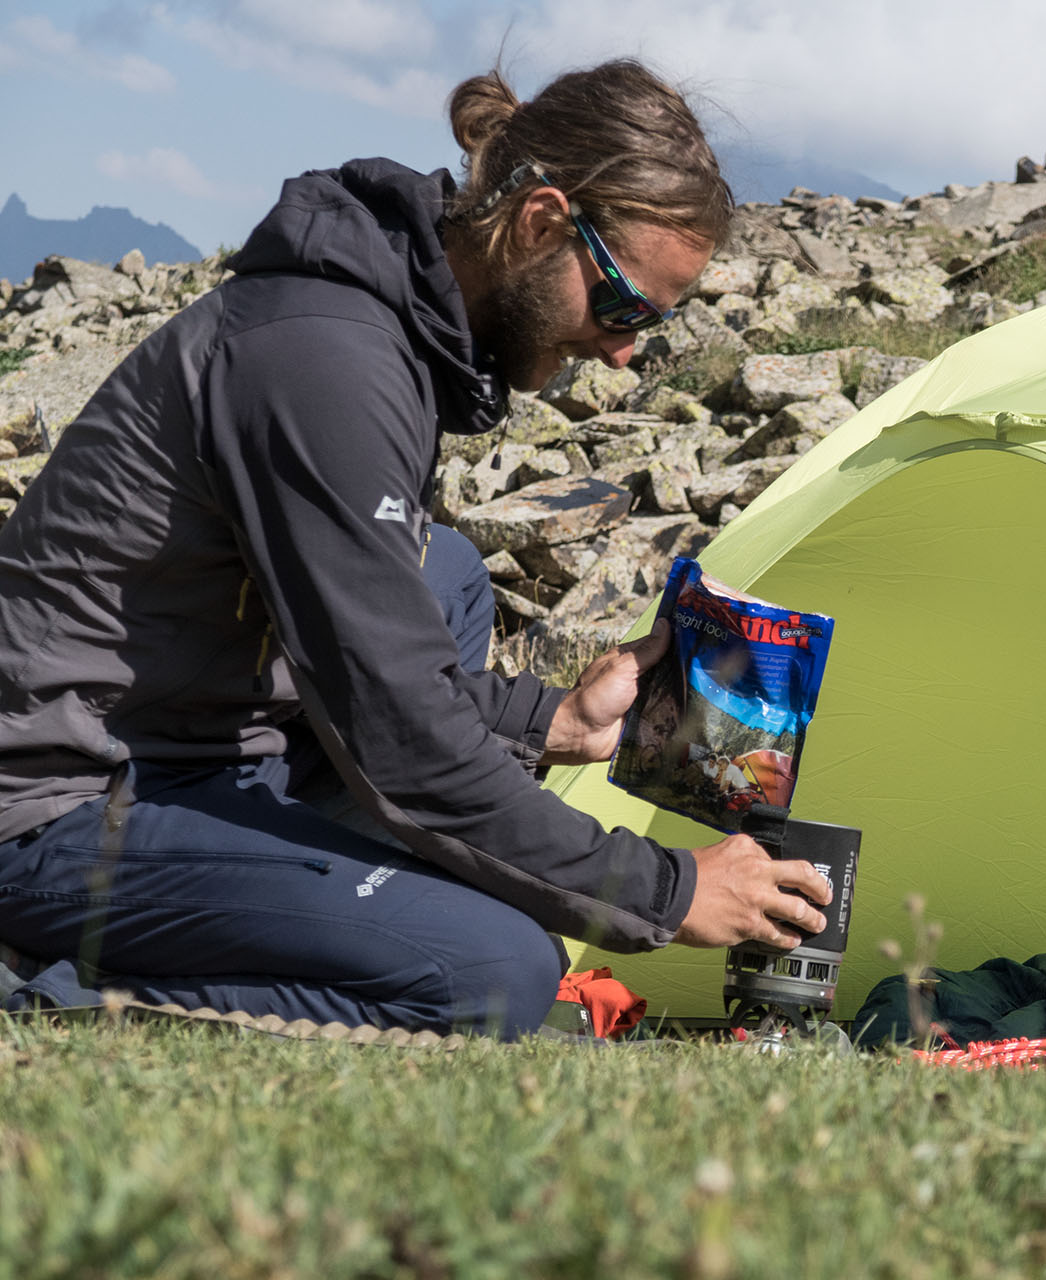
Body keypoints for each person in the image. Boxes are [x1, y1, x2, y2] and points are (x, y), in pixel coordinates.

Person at [0, 59, 830, 1037]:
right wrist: (666, 888)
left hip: (208, 739)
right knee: (496, 969)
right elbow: (399, 731)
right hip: (61, 803)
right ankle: (47, 993)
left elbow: (375, 671)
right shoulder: (325, 361)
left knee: (449, 576)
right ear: (541, 223)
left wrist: (555, 720)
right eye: (624, 307)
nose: (624, 351)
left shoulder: (389, 329)